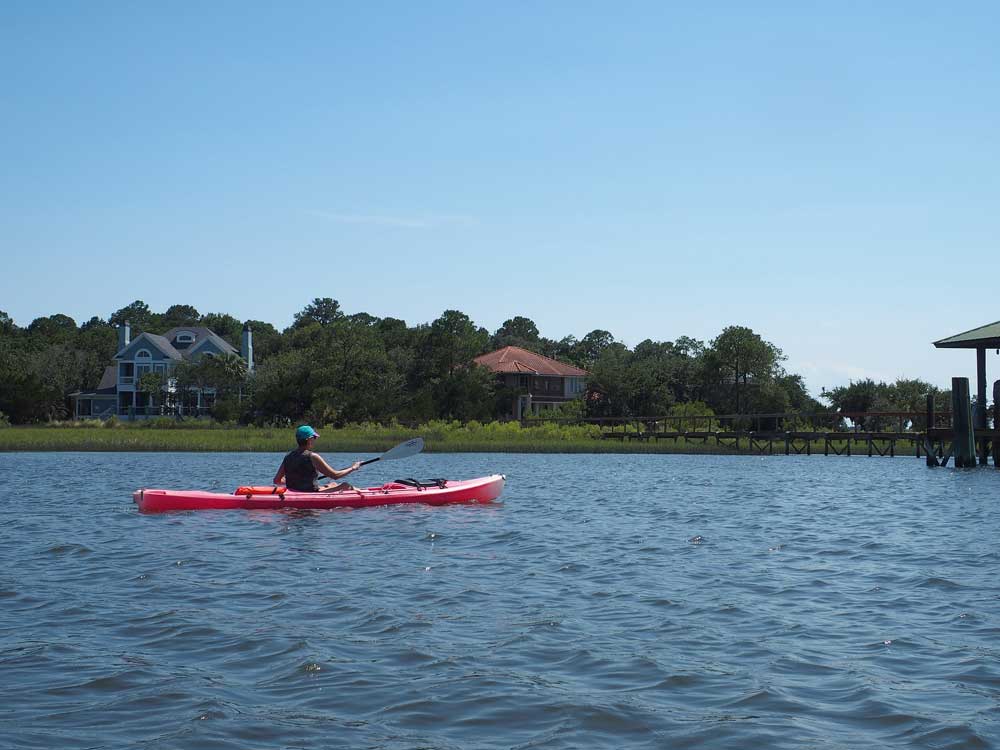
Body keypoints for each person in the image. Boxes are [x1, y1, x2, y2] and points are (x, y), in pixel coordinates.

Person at [273, 425, 362, 493]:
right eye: (314, 438)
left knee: (332, 484)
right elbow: (335, 475)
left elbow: (277, 480)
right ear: (309, 439)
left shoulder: (288, 456)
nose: (315, 440)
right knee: (345, 485)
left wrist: (294, 479)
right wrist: (353, 468)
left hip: (294, 492)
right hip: (310, 493)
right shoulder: (313, 456)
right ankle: (361, 492)